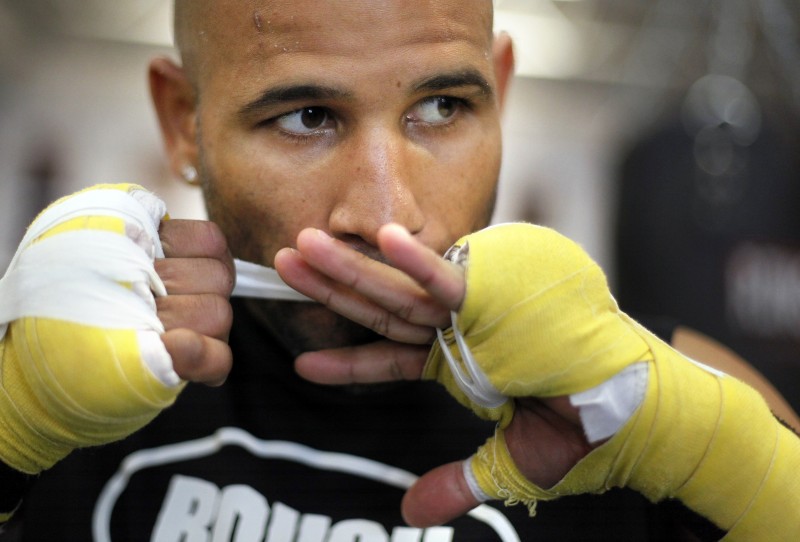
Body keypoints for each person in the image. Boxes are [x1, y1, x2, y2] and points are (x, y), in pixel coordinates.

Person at [0, 1, 797, 540]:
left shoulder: (661, 389)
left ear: (503, 91)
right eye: (306, 117)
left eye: (444, 106)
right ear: (185, 121)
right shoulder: (60, 371)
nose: (388, 213)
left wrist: (707, 445)